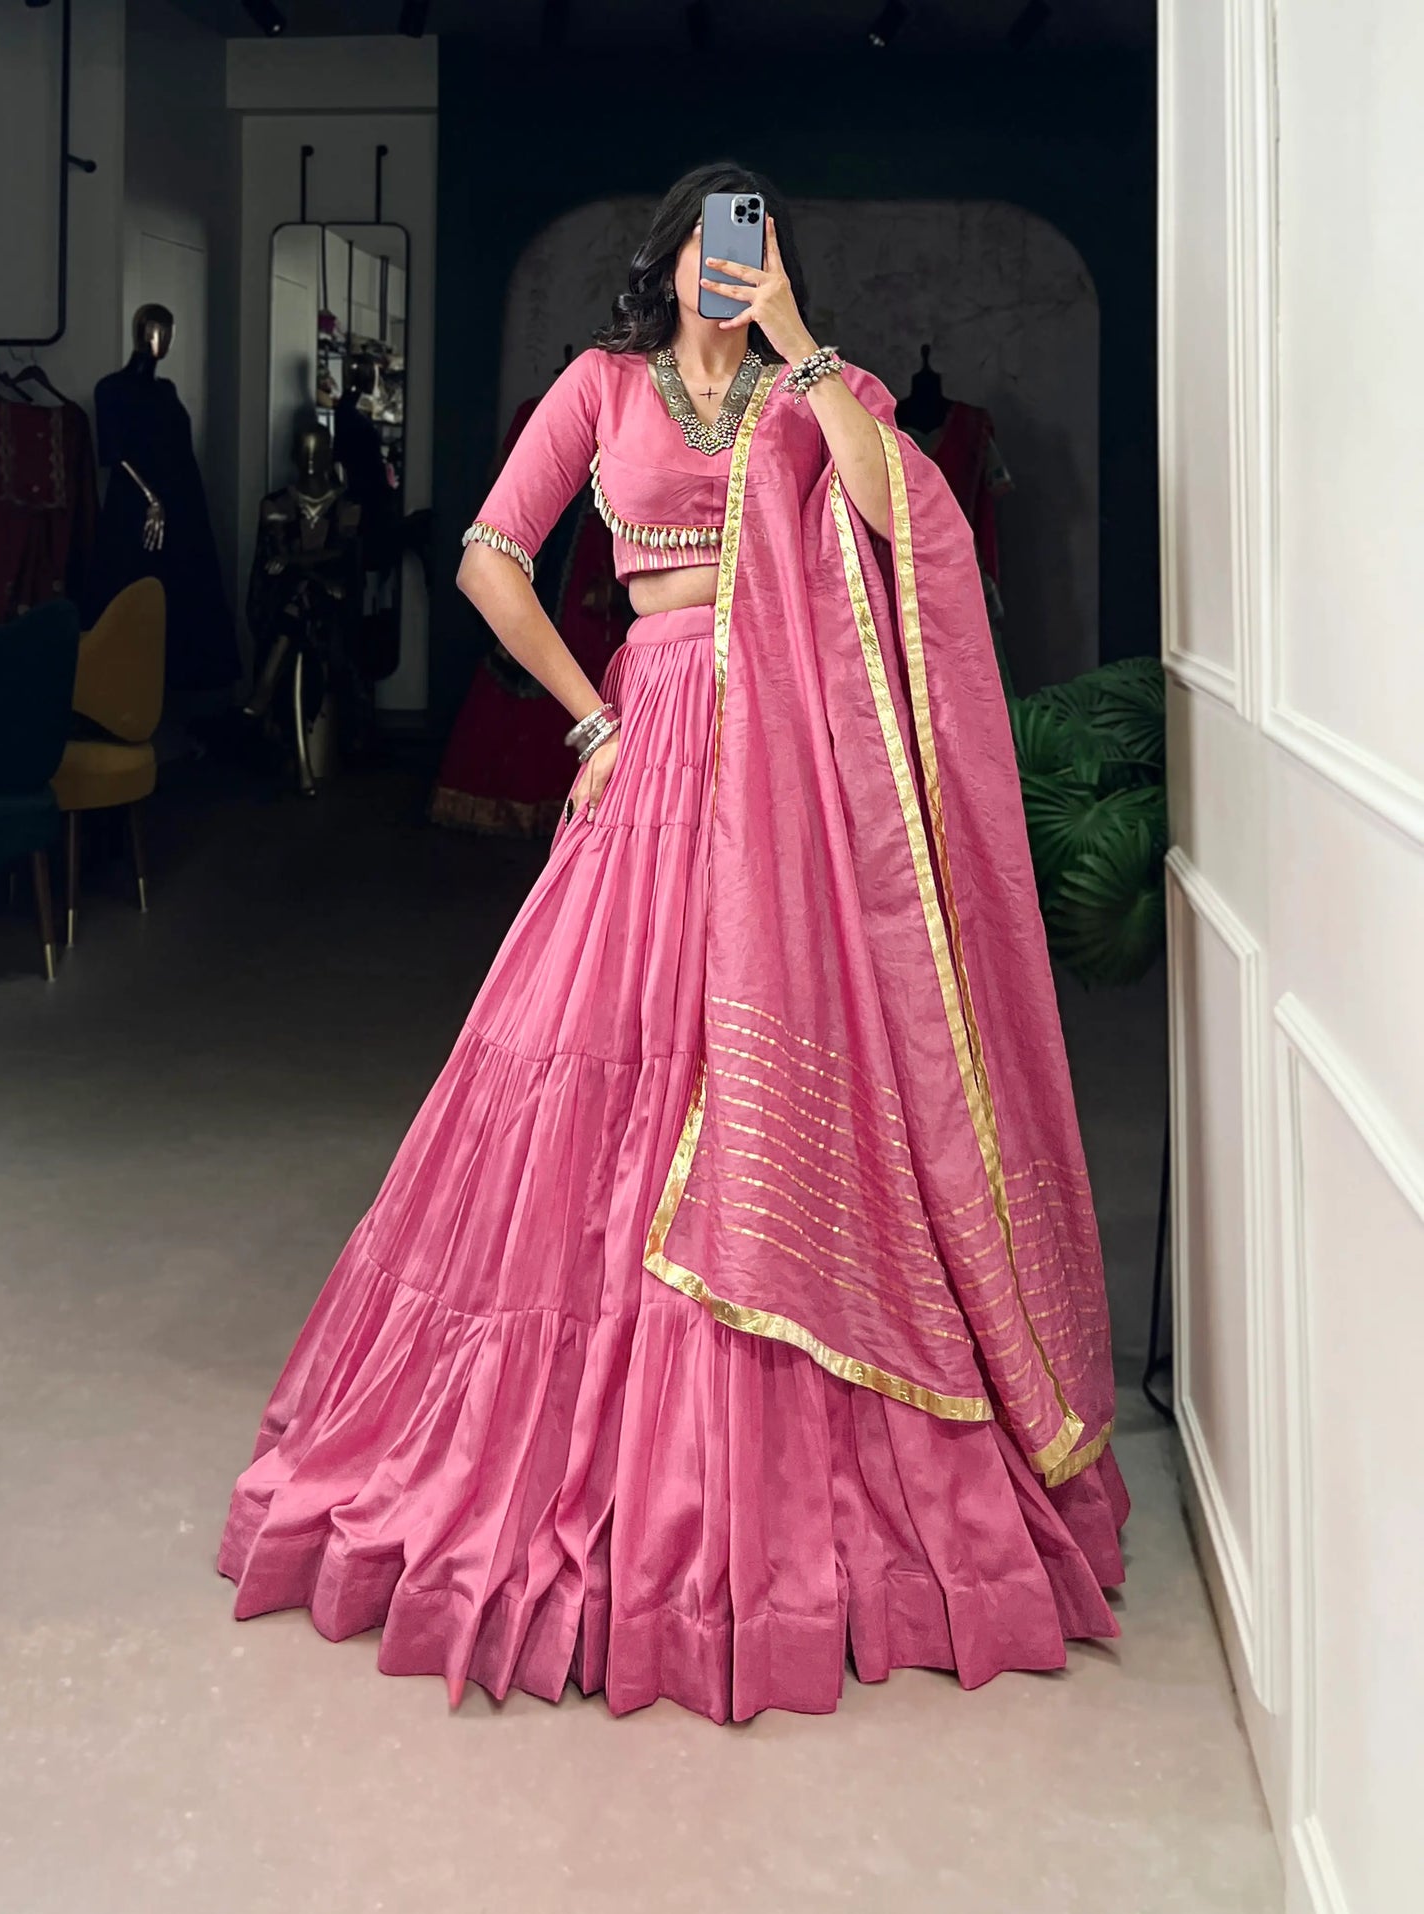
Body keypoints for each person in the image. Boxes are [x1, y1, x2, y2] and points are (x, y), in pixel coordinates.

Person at [217, 163, 1128, 1723]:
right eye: (713, 244)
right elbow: (487, 555)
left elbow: (902, 517)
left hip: (787, 766)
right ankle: (587, 1444)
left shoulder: (800, 397)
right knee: (601, 1063)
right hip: (650, 737)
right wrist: (587, 721)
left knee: (780, 1057)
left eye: (754, 247)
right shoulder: (601, 386)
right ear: (665, 259)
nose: (730, 265)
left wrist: (802, 340)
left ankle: (779, 1454)